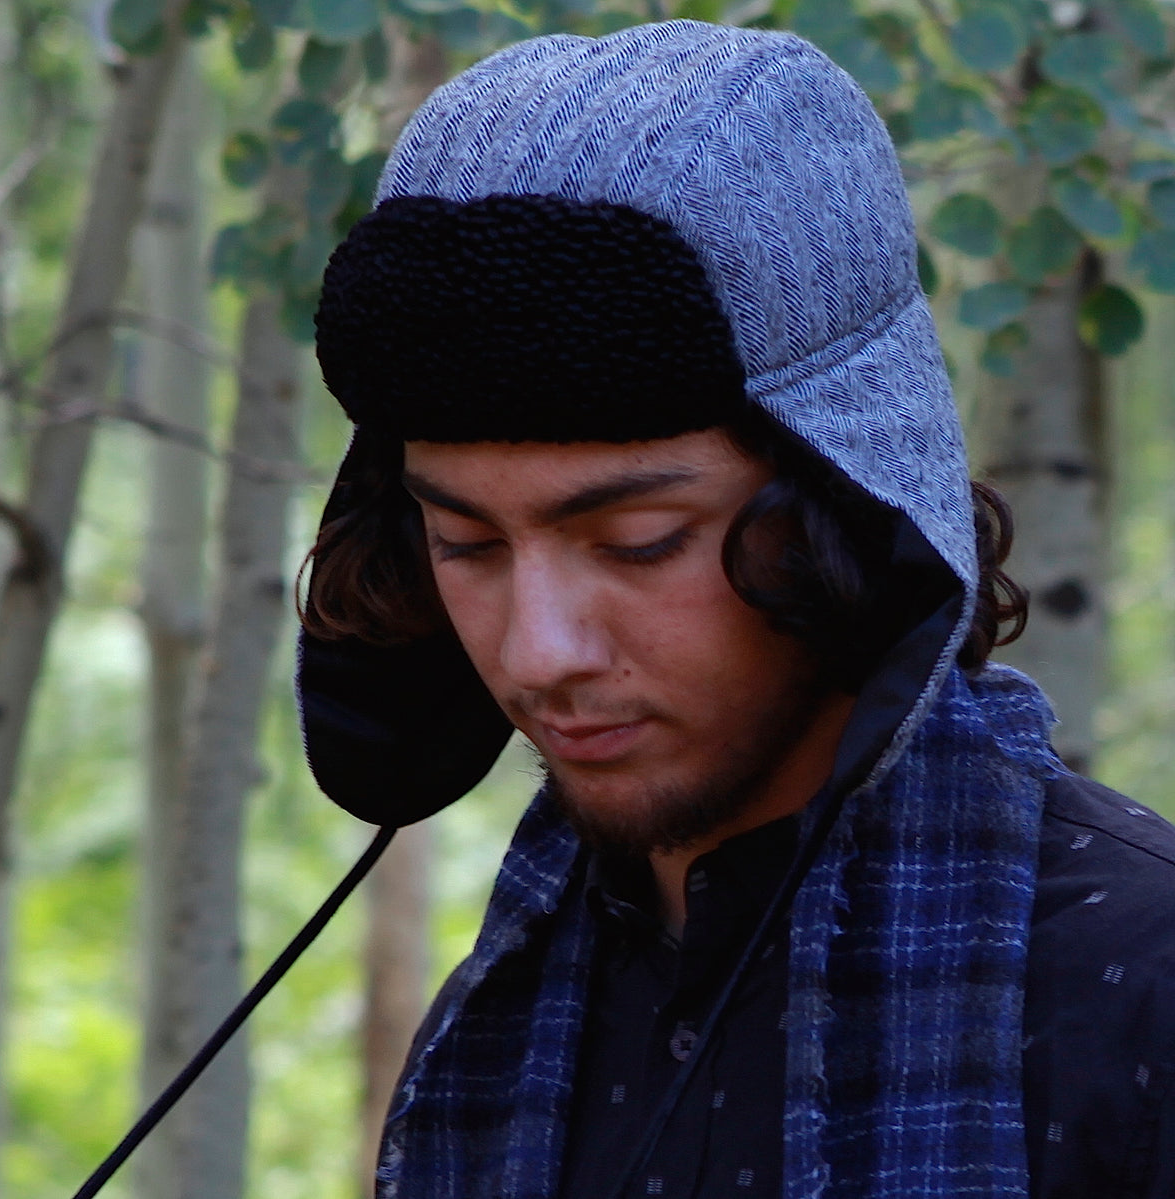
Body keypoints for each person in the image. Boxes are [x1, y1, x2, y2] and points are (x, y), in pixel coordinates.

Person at [296, 20, 1175, 1199]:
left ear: (849, 512)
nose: (539, 650)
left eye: (637, 542)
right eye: (466, 543)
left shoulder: (1140, 984)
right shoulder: (498, 1018)